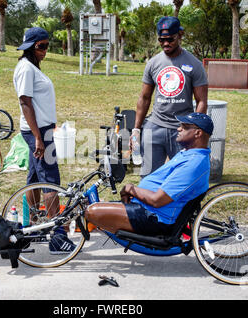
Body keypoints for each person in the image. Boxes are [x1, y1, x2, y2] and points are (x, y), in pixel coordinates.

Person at [85, 113, 213, 236]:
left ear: (198, 133)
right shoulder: (189, 154)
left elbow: (157, 200)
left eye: (184, 127)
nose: (179, 129)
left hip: (155, 217)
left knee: (92, 211)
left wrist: (130, 188)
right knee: (92, 205)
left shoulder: (193, 163)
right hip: (146, 209)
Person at [13, 27, 74, 254]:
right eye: (42, 46)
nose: (45, 51)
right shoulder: (26, 69)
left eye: (47, 46)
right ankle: (57, 235)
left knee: (35, 177)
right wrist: (39, 136)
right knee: (50, 178)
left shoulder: (32, 68)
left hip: (42, 129)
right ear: (30, 46)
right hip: (37, 132)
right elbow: (25, 102)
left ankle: (33, 227)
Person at [130, 16, 209, 178]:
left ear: (180, 35)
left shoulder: (194, 64)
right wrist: (137, 130)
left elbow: (201, 101)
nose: (166, 44)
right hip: (155, 127)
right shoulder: (153, 63)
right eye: (161, 40)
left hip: (181, 130)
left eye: (170, 39)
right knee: (148, 179)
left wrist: (194, 129)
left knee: (184, 179)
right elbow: (144, 98)